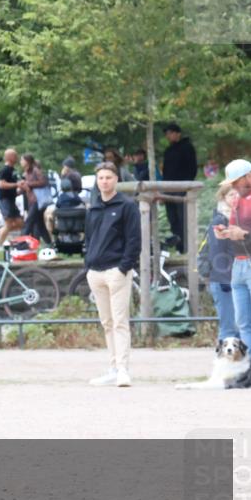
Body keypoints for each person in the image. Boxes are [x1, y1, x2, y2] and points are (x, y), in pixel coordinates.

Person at [84, 162, 142, 388]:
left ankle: (123, 370)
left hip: (116, 271)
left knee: (120, 322)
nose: (104, 182)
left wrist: (124, 267)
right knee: (107, 323)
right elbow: (88, 239)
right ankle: (112, 367)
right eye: (100, 178)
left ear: (116, 179)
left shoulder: (127, 206)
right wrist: (87, 266)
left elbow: (134, 240)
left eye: (108, 177)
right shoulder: (93, 207)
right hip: (95, 272)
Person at [214, 159, 251, 351]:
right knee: (243, 322)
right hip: (239, 264)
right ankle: (250, 368)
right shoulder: (237, 200)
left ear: (249, 176)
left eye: (237, 182)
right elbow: (235, 230)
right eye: (232, 183)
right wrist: (225, 232)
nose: (235, 187)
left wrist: (244, 234)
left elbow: (244, 233)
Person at [201, 182, 239, 342]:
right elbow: (217, 253)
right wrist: (225, 280)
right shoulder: (220, 220)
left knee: (240, 325)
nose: (236, 197)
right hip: (223, 279)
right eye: (231, 194)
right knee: (229, 327)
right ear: (223, 198)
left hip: (238, 277)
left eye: (238, 194)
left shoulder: (240, 217)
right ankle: (223, 363)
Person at [162, 123, 197, 253]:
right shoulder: (168, 151)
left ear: (177, 133)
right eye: (167, 134)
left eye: (170, 133)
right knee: (173, 218)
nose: (168, 136)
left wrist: (186, 187)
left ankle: (187, 246)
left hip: (182, 188)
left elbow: (192, 168)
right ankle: (179, 246)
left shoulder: (187, 148)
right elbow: (165, 171)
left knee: (183, 218)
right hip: (168, 189)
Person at [18, 153, 52, 245]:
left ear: (27, 161)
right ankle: (49, 244)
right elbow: (25, 187)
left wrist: (28, 183)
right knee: (40, 224)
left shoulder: (35, 171)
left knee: (28, 222)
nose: (20, 162)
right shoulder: (26, 173)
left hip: (38, 201)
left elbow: (43, 182)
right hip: (31, 201)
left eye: (22, 160)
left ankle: (20, 244)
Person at [0, 148, 23, 249]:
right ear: (9, 157)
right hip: (4, 200)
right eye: (15, 155)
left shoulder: (13, 170)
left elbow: (13, 187)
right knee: (9, 223)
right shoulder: (5, 170)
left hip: (12, 199)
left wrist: (19, 191)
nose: (17, 157)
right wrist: (17, 184)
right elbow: (2, 185)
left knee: (20, 223)